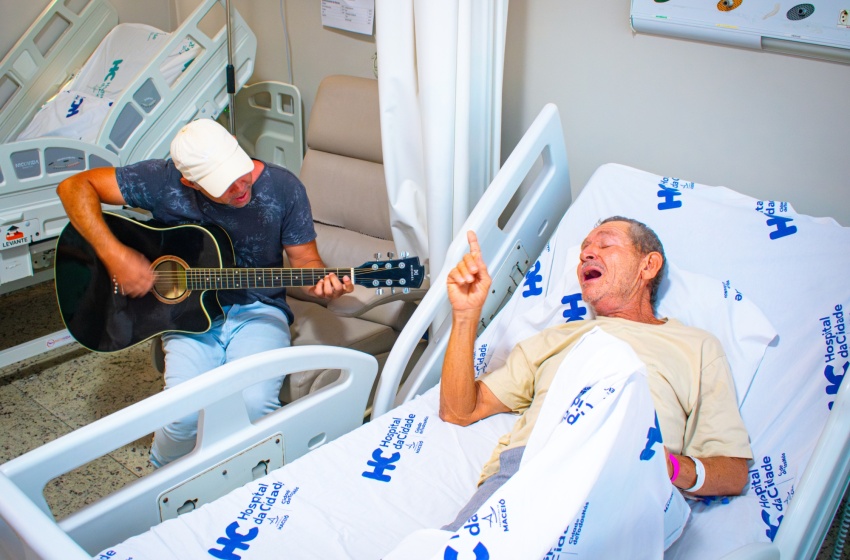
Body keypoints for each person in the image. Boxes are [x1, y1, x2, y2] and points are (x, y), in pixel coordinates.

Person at [56, 118, 353, 467]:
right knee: (181, 416)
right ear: (189, 182)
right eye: (223, 185)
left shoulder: (283, 187)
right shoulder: (160, 181)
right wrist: (114, 254)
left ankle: (253, 490)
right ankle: (160, 489)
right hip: (184, 316)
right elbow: (73, 187)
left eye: (240, 173)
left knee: (255, 405)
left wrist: (323, 283)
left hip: (258, 309)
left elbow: (305, 260)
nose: (240, 187)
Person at [439, 217, 752, 530]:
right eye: (583, 252)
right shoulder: (554, 339)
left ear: (648, 266)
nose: (587, 255)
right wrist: (466, 316)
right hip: (529, 473)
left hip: (627, 478)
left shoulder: (696, 347)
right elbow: (460, 410)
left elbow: (733, 472)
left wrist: (665, 466)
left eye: (605, 244)